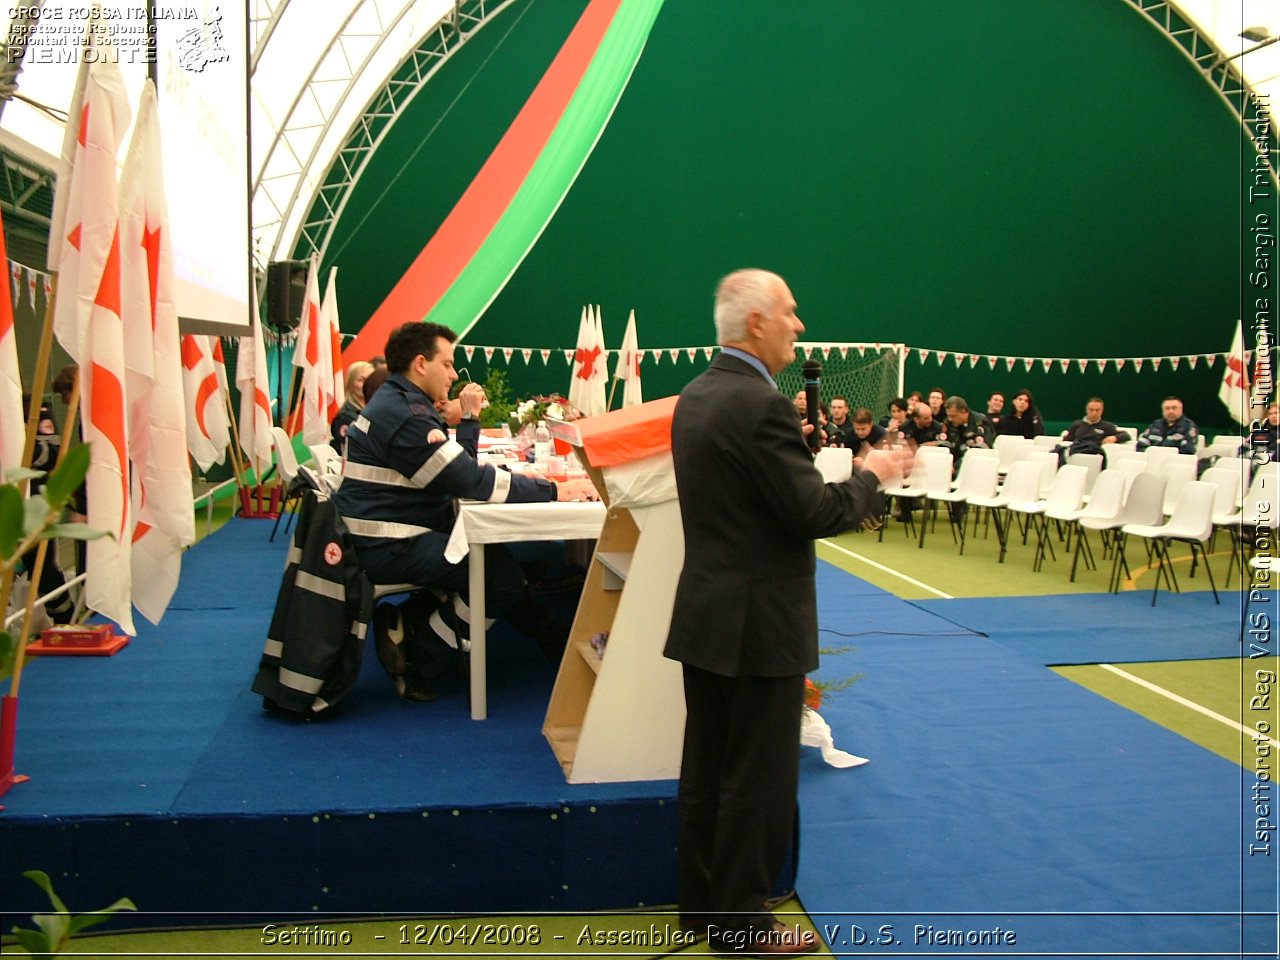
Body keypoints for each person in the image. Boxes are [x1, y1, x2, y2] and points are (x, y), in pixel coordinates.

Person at [663, 269, 908, 955]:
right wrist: (872, 477)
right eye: (790, 314)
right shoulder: (759, 405)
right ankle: (743, 925)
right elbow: (810, 513)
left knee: (708, 770)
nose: (799, 326)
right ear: (756, 323)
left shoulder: (696, 395)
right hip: (759, 622)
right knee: (757, 780)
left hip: (707, 612)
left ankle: (705, 909)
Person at [332, 321, 597, 701]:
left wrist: (466, 423)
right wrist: (555, 489)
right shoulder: (406, 414)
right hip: (388, 543)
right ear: (421, 364)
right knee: (499, 577)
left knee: (496, 559)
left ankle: (545, 635)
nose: (455, 375)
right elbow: (467, 479)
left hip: (389, 531)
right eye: (448, 363)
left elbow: (455, 470)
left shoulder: (401, 403)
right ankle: (416, 656)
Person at [330, 360, 374, 453]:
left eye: (370, 379)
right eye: (361, 380)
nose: (366, 384)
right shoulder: (344, 417)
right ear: (350, 383)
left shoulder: (375, 409)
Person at [941, 396, 993, 471]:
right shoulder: (948, 422)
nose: (950, 419)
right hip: (952, 463)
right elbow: (944, 445)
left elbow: (982, 451)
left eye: (953, 416)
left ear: (964, 411)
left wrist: (955, 466)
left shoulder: (980, 422)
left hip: (975, 465)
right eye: (948, 415)